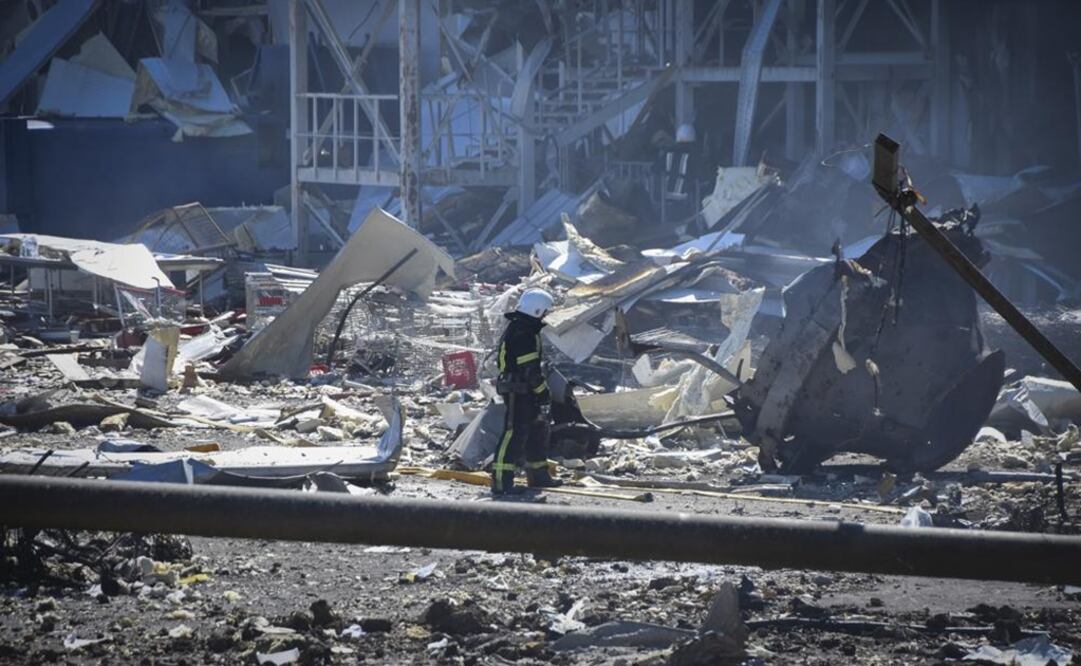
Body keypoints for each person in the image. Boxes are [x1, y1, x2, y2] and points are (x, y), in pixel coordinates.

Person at [491, 288, 563, 495]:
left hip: (524, 389)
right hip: (519, 390)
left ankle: (538, 476)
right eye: (545, 312)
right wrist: (543, 392)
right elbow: (529, 369)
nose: (546, 316)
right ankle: (501, 482)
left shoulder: (525, 328)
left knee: (537, 430)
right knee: (513, 433)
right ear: (537, 310)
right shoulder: (523, 332)